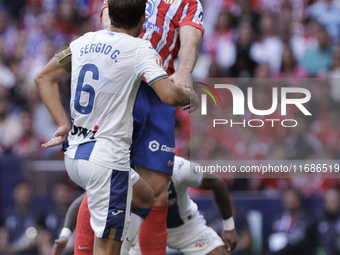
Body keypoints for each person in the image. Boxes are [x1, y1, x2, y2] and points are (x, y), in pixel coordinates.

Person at [34, 0, 199, 254]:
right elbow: (168, 95)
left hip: (75, 153)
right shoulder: (139, 49)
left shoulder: (83, 41)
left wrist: (62, 123)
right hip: (105, 159)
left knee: (145, 197)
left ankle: (120, 245)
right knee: (106, 245)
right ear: (144, 21)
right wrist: (194, 98)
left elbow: (42, 77)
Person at [100, 1, 204, 254]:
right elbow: (109, 21)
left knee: (156, 189)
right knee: (104, 180)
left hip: (159, 86)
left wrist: (185, 70)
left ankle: (128, 249)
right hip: (121, 80)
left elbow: (190, 38)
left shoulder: (188, 2)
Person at [51, 156, 239, 255]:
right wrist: (65, 235)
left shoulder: (179, 167)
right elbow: (81, 201)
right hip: (141, 234)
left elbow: (217, 182)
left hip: (185, 228)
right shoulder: (128, 175)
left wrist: (229, 227)